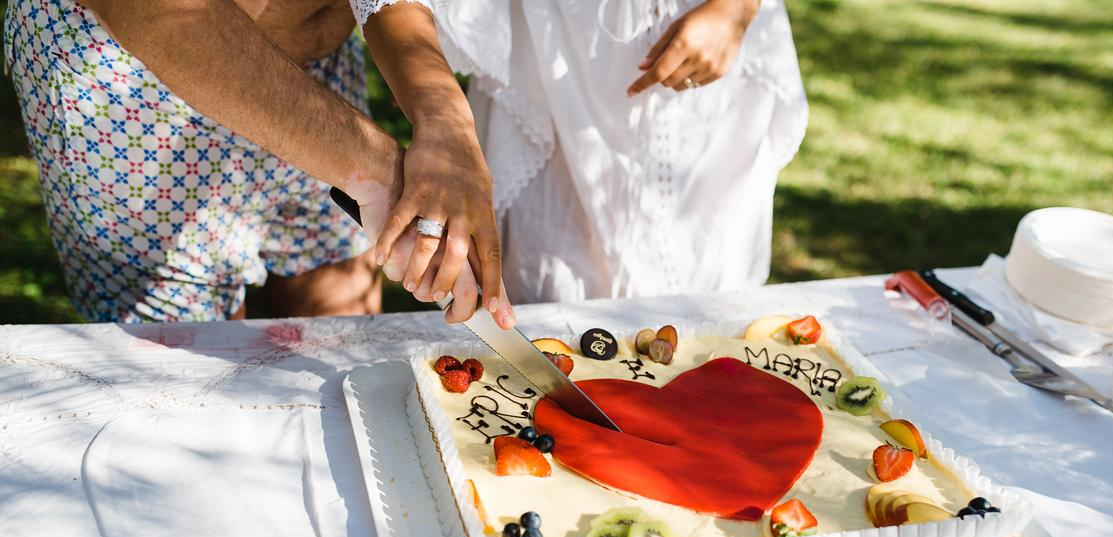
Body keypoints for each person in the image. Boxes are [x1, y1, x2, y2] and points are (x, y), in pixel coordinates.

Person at [3, 0, 515, 327]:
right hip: (135, 84)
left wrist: (445, 118)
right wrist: (380, 169)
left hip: (319, 82)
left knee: (341, 337)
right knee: (193, 382)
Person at [351, 0, 807, 303]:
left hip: (713, 68)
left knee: (714, 299)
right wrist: (438, 108)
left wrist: (737, 8)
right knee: (558, 303)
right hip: (555, 68)